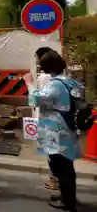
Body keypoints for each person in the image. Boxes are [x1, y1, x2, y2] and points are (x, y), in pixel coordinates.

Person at [25, 51, 82, 212]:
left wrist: (29, 83)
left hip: (57, 130)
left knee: (62, 166)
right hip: (67, 127)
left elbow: (36, 99)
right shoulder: (70, 82)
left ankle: (68, 201)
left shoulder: (55, 84)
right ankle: (67, 196)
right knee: (66, 165)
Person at [34, 47, 58, 191]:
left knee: (51, 151)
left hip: (47, 119)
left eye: (37, 57)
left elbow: (39, 99)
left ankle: (54, 180)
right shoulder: (60, 76)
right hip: (58, 118)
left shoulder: (44, 78)